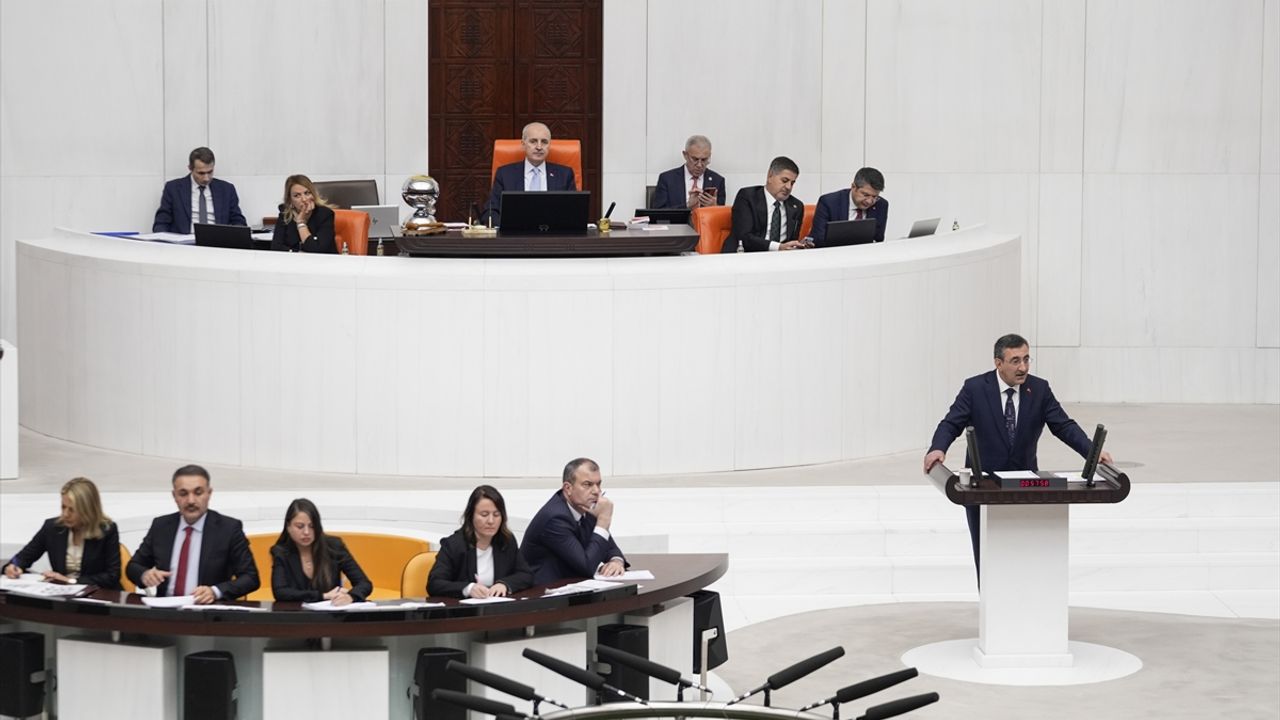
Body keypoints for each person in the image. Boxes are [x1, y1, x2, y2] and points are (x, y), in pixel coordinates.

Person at [923, 334, 1114, 576]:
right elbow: (951, 423)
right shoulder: (975, 388)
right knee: (988, 562)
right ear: (998, 363)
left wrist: (1091, 452)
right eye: (1015, 361)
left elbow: (1063, 426)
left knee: (1023, 561)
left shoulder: (1040, 389)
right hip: (983, 488)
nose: (1023, 367)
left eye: (1026, 359)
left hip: (1024, 489)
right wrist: (938, 448)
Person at [127, 464, 259, 603]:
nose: (191, 501)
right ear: (174, 496)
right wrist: (145, 575)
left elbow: (250, 577)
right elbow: (133, 566)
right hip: (166, 608)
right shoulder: (161, 526)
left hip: (207, 610)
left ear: (209, 493)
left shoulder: (228, 529)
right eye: (183, 494)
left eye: (198, 492)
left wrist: (215, 591)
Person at [520, 458, 627, 585]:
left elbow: (610, 548)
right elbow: (587, 566)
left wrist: (616, 561)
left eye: (598, 484)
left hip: (571, 585)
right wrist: (603, 520)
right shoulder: (555, 518)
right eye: (587, 484)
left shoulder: (586, 507)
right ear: (568, 488)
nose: (596, 491)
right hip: (542, 590)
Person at [3, 477, 121, 589]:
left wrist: (70, 581)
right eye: (63, 507)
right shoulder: (52, 527)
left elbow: (112, 576)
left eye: (72, 510)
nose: (65, 514)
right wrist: (15, 566)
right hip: (62, 595)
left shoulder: (107, 530)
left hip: (97, 594)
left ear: (87, 510)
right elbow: (23, 557)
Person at [428, 485, 533, 598]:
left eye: (496, 515)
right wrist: (468, 588)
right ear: (471, 516)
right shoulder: (454, 545)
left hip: (497, 606)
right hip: (464, 607)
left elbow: (526, 574)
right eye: (484, 515)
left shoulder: (506, 541)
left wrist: (504, 584)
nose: (491, 521)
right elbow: (435, 584)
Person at [269, 498, 371, 605]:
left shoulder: (334, 546)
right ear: (288, 527)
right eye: (300, 526)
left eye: (312, 526)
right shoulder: (280, 552)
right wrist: (323, 596)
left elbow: (364, 583)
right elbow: (280, 592)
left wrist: (351, 597)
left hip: (330, 612)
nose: (306, 532)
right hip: (296, 613)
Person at [481, 122, 577, 225]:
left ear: (549, 145)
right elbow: (491, 212)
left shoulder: (565, 175)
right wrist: (511, 227)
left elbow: (574, 211)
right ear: (523, 144)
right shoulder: (505, 174)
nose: (539, 147)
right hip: (516, 232)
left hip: (553, 232)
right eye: (533, 141)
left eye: (544, 142)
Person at [152, 147, 246, 234]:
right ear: (190, 168)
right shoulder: (173, 189)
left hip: (218, 242)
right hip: (184, 243)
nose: (206, 178)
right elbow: (161, 223)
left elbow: (238, 221)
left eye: (210, 172)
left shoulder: (226, 190)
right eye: (201, 173)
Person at [723, 156, 806, 252]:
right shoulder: (747, 197)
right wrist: (778, 247)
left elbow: (791, 241)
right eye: (784, 180)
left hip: (781, 258)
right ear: (770, 176)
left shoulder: (796, 206)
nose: (788, 187)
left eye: (792, 183)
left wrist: (797, 245)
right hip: (747, 254)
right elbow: (744, 237)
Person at [810, 167, 889, 246]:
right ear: (853, 187)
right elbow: (818, 239)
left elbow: (878, 239)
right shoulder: (829, 202)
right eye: (865, 195)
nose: (869, 201)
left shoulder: (881, 205)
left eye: (875, 197)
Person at [650, 135, 727, 209]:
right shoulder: (667, 179)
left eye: (704, 160)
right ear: (685, 155)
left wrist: (714, 207)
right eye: (695, 159)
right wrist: (687, 206)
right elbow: (659, 213)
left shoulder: (718, 181)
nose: (699, 165)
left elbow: (722, 214)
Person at [270, 174, 337, 253]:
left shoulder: (325, 214)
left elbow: (316, 249)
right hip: (294, 260)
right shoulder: (285, 215)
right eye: (297, 196)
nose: (304, 199)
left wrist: (301, 223)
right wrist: (298, 253)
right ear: (290, 200)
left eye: (307, 193)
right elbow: (276, 247)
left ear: (313, 195)